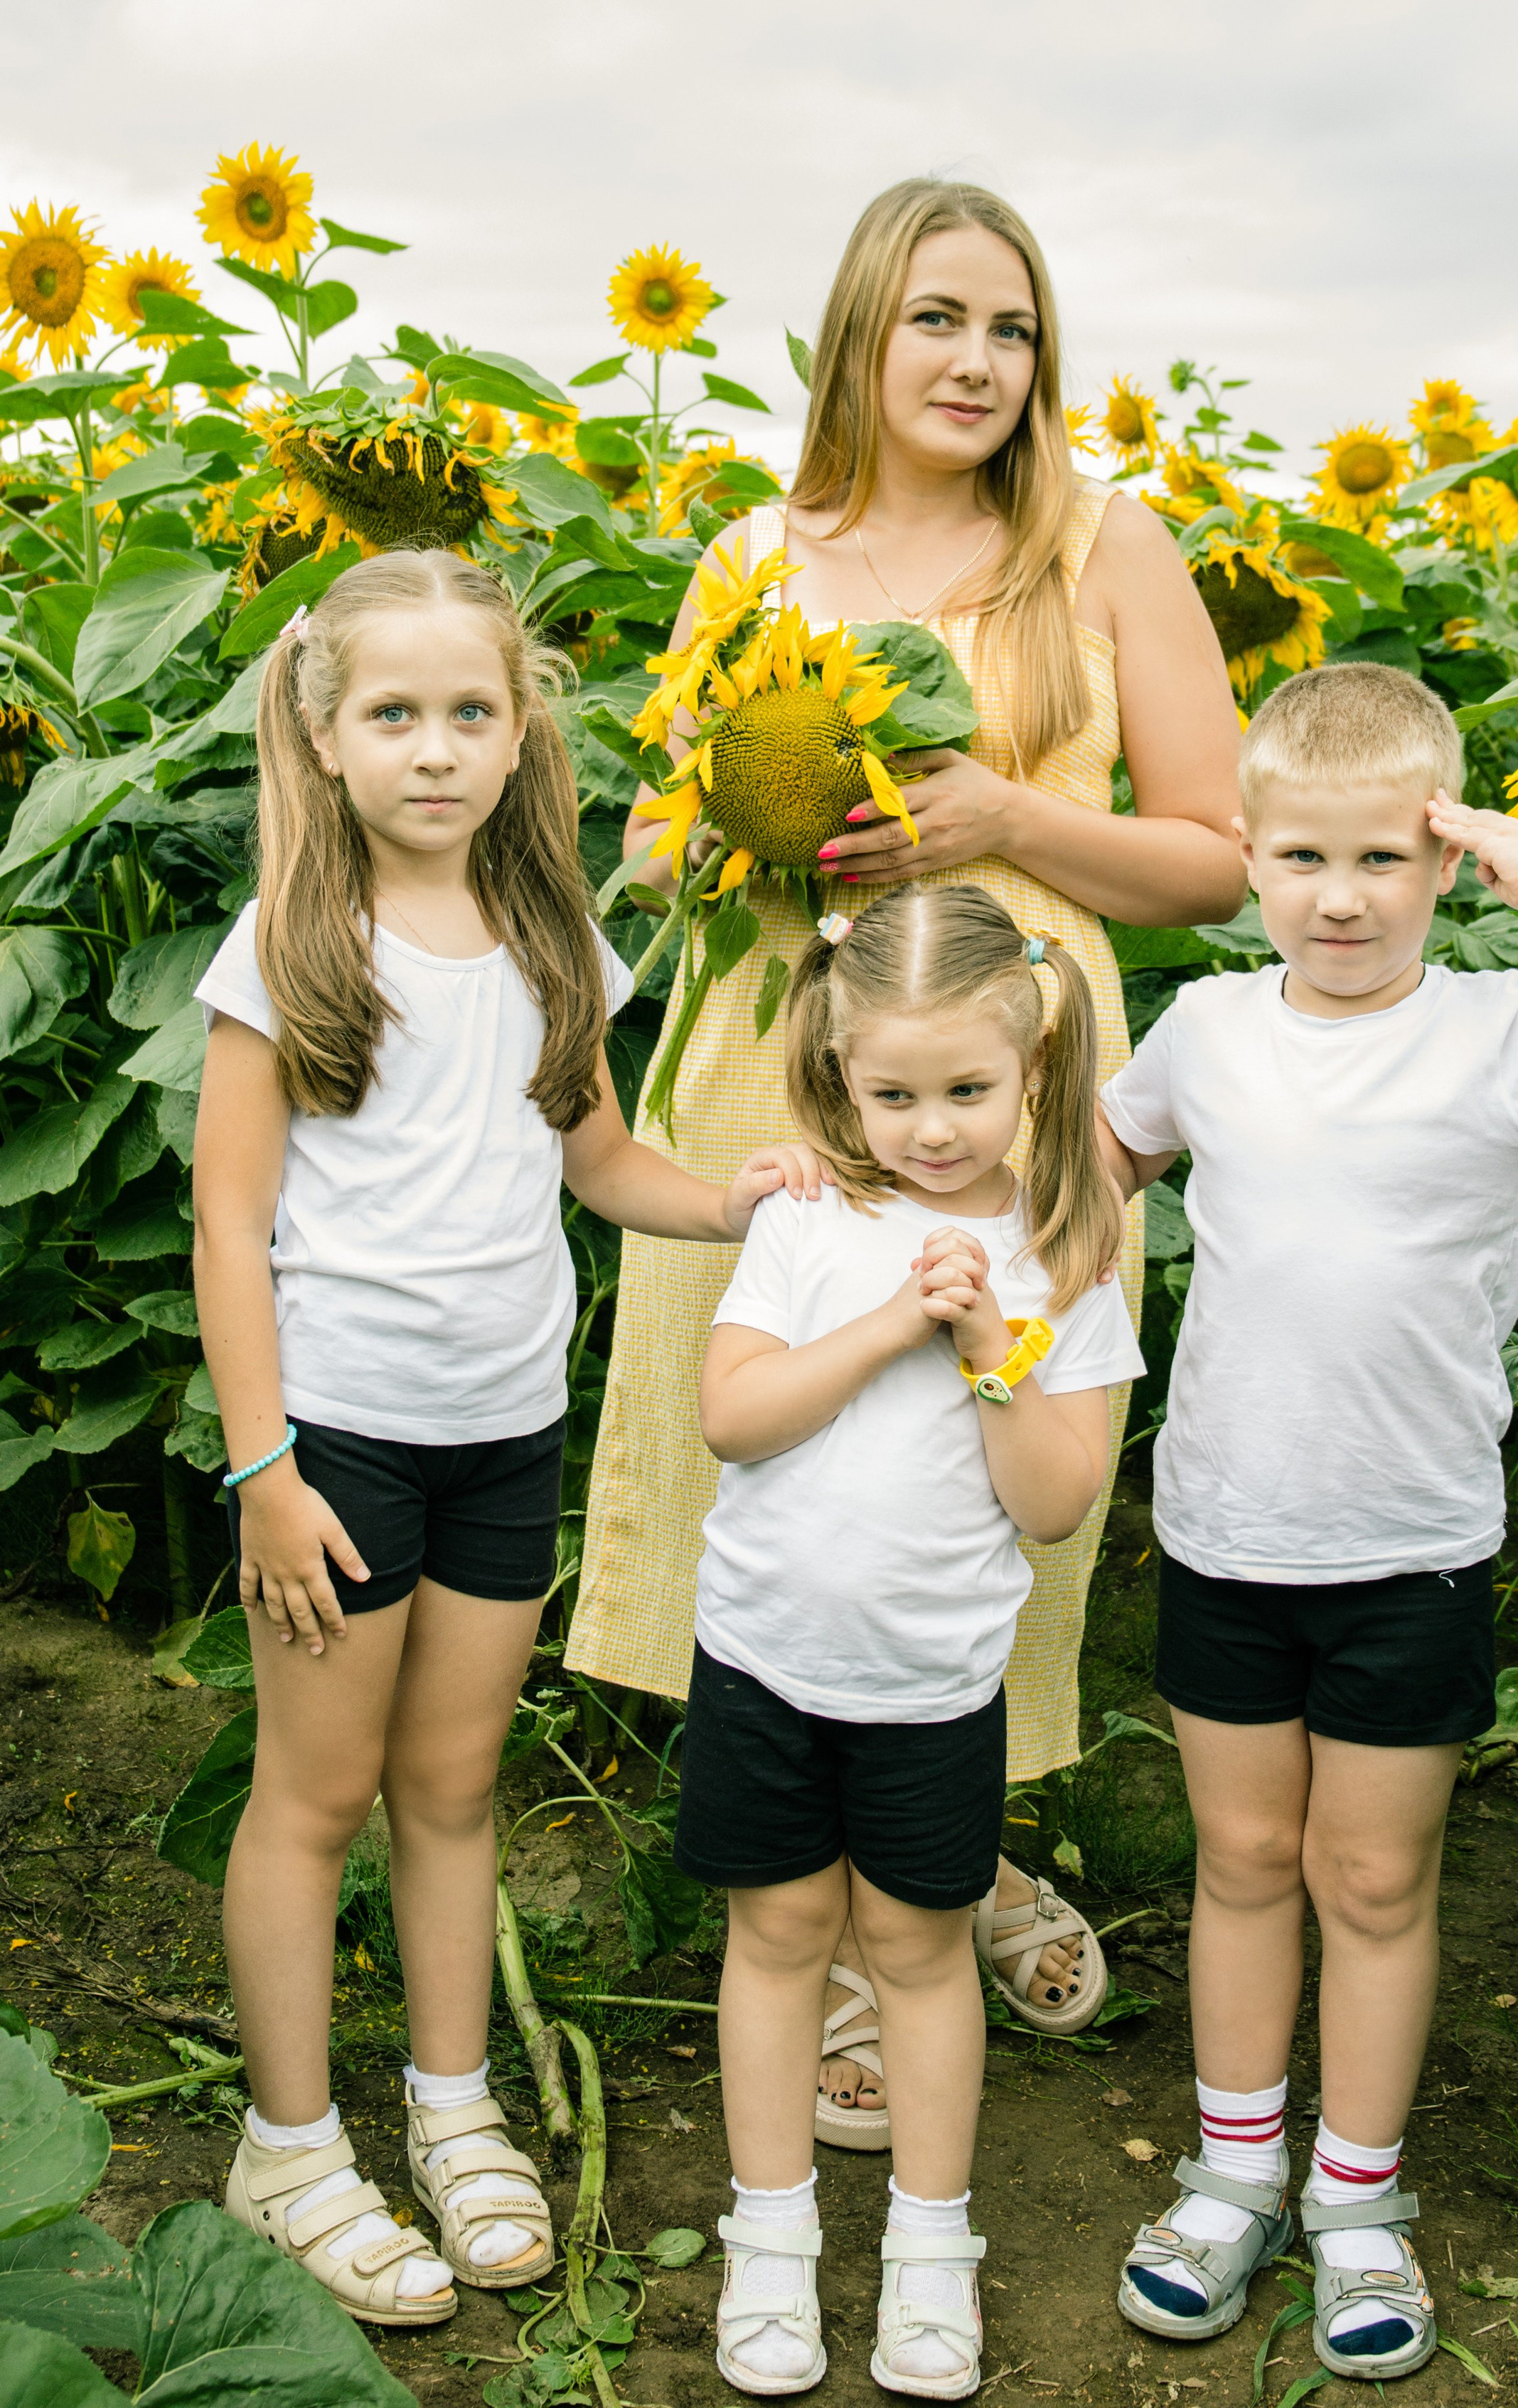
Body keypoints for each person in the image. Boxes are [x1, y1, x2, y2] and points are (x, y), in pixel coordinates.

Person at [569, 177, 1246, 2135]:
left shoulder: (1105, 551)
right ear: (862, 334)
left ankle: (957, 1858)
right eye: (938, 319)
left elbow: (1212, 856)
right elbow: (649, 828)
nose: (977, 362)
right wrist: (739, 827)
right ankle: (827, 1906)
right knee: (779, 1453)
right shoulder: (751, 554)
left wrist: (995, 823)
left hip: (1015, 1071)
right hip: (783, 1070)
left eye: (1014, 329)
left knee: (996, 1440)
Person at [1096, 663, 1518, 2380]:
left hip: (1409, 1540)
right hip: (1226, 1527)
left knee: (1372, 1877)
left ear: (1445, 862)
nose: (1338, 896)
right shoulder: (1210, 1032)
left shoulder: (1505, 1027)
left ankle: (1356, 2199)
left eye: (1384, 859)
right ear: (1243, 858)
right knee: (1243, 1863)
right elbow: (1090, 1170)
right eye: (1299, 857)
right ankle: (1232, 2174)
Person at [193, 550, 825, 2331]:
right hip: (338, 1444)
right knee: (315, 1796)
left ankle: (455, 2109)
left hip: (502, 1431)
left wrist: (734, 1197)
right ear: (323, 737)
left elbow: (597, 1163)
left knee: (453, 1789)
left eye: (471, 713)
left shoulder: (555, 940)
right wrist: (263, 1470)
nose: (435, 750)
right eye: (392, 715)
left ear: (518, 734)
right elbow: (227, 1225)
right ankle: (291, 2145)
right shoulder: (296, 946)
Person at [677, 886, 1145, 2399]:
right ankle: (770, 2243)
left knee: (920, 1951)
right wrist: (889, 1320)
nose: (931, 1127)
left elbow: (1059, 1505)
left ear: (1029, 1072)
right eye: (892, 1094)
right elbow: (732, 1418)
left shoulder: (1063, 1247)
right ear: (837, 1071)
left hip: (929, 1688)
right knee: (777, 1941)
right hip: (761, 1656)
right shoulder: (814, 1218)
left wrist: (982, 1344)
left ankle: (929, 2254)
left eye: (965, 1091)